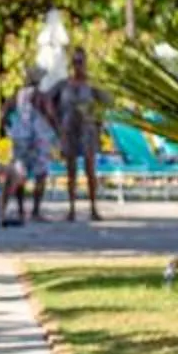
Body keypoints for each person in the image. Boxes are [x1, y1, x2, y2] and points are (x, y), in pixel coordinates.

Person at [54, 49, 110, 223]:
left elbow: (108, 101)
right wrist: (56, 123)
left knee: (90, 170)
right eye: (75, 61)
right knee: (71, 171)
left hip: (87, 130)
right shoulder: (64, 84)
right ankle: (71, 209)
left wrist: (98, 120)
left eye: (81, 61)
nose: (78, 65)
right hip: (69, 130)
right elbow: (46, 100)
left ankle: (93, 208)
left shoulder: (91, 85)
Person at [2, 79, 57, 226]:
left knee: (20, 173)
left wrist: (12, 129)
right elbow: (49, 113)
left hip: (20, 138)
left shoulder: (17, 95)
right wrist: (57, 131)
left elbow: (5, 114)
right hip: (38, 139)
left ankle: (21, 211)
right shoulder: (40, 95)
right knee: (41, 174)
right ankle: (35, 211)